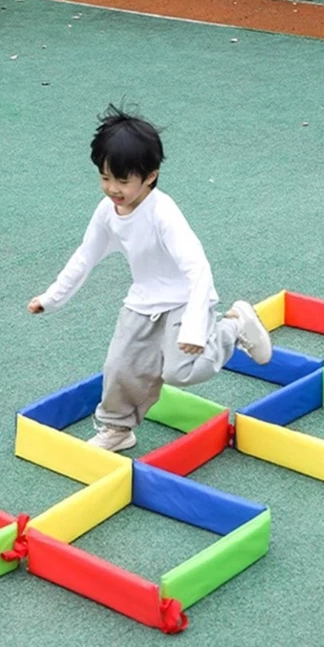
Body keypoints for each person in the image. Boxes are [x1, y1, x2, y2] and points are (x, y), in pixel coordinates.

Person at [28, 104, 271, 452]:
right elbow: (85, 257)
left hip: (186, 299)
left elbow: (198, 268)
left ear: (151, 176)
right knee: (120, 366)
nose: (112, 188)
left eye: (123, 181)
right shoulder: (107, 212)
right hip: (143, 300)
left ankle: (232, 326)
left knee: (180, 371)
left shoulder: (163, 213)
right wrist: (51, 298)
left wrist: (191, 325)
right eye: (105, 177)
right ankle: (117, 429)